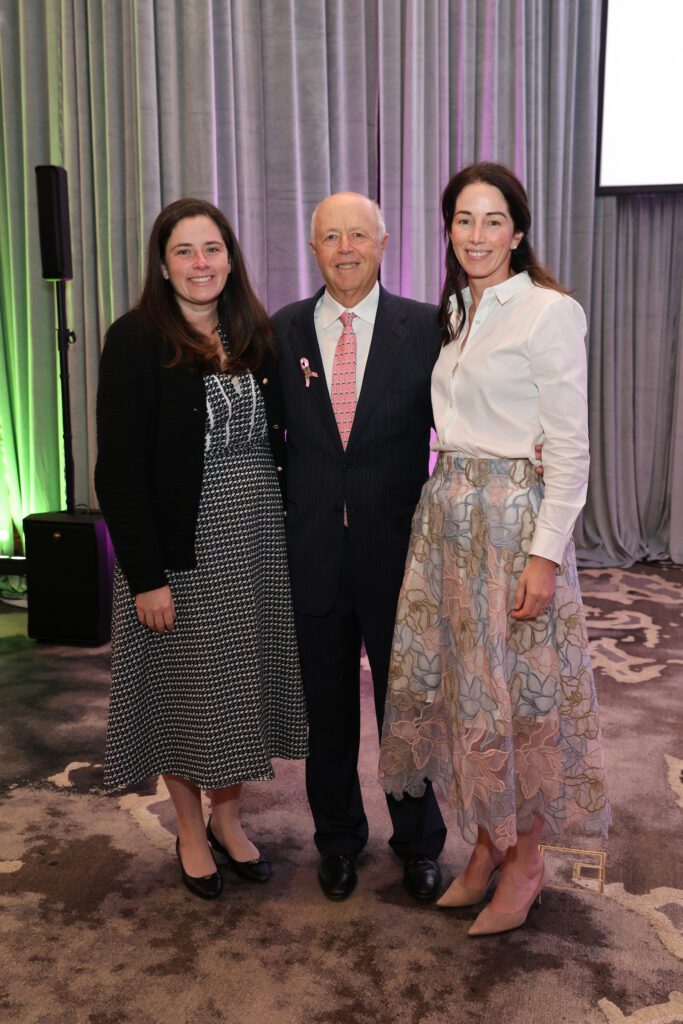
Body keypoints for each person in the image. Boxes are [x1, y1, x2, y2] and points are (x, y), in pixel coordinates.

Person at [379, 163, 610, 935]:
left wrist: (544, 557)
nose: (475, 235)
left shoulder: (548, 312)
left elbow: (570, 449)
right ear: (447, 230)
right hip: (449, 519)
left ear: (517, 231)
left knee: (525, 699)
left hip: (513, 527)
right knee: (466, 693)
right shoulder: (455, 311)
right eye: (462, 220)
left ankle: (526, 862)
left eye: (491, 220)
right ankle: (483, 846)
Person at [95, 198, 308, 900]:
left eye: (211, 248)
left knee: (236, 687)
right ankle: (190, 829)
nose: (199, 263)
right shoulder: (134, 339)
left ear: (230, 257)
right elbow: (118, 471)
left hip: (253, 546)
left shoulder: (252, 333)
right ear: (163, 263)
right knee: (186, 692)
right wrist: (146, 576)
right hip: (179, 550)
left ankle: (228, 817)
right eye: (184, 251)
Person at [272, 192, 447, 902]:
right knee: (328, 709)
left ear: (382, 243)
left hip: (398, 552)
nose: (343, 248)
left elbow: (459, 426)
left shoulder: (427, 328)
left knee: (405, 708)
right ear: (312, 249)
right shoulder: (280, 332)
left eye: (357, 235)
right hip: (312, 548)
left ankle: (418, 843)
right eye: (328, 237)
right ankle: (339, 840)